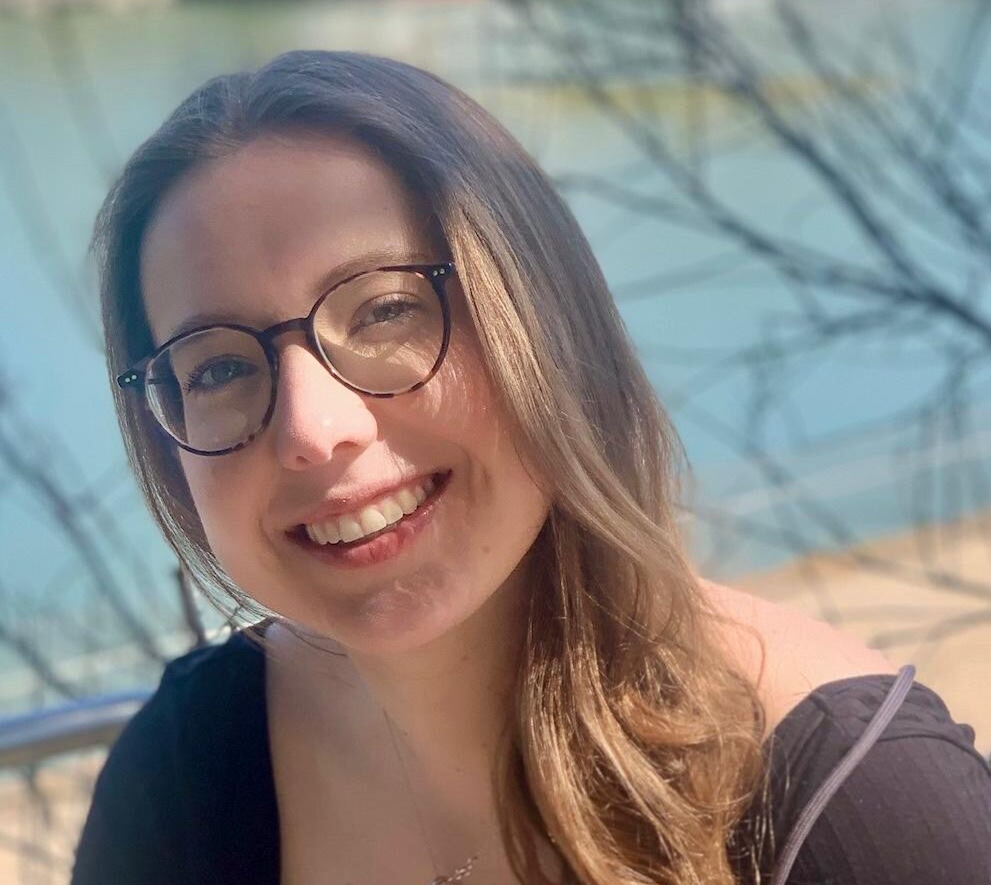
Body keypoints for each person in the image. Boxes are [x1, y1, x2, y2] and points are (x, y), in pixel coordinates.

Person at [73, 50, 990, 885]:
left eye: (385, 310)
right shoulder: (186, 771)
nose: (313, 431)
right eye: (218, 369)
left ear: (543, 320)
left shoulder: (856, 806)